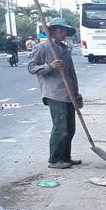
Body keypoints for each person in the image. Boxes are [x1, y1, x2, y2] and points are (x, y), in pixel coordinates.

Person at [28, 18, 83, 169]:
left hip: (68, 93)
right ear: (52, 32)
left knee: (70, 128)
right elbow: (31, 68)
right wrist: (49, 66)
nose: (63, 33)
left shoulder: (65, 50)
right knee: (61, 127)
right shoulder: (43, 48)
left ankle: (65, 156)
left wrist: (77, 94)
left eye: (65, 30)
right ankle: (54, 159)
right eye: (60, 30)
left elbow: (71, 73)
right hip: (54, 93)